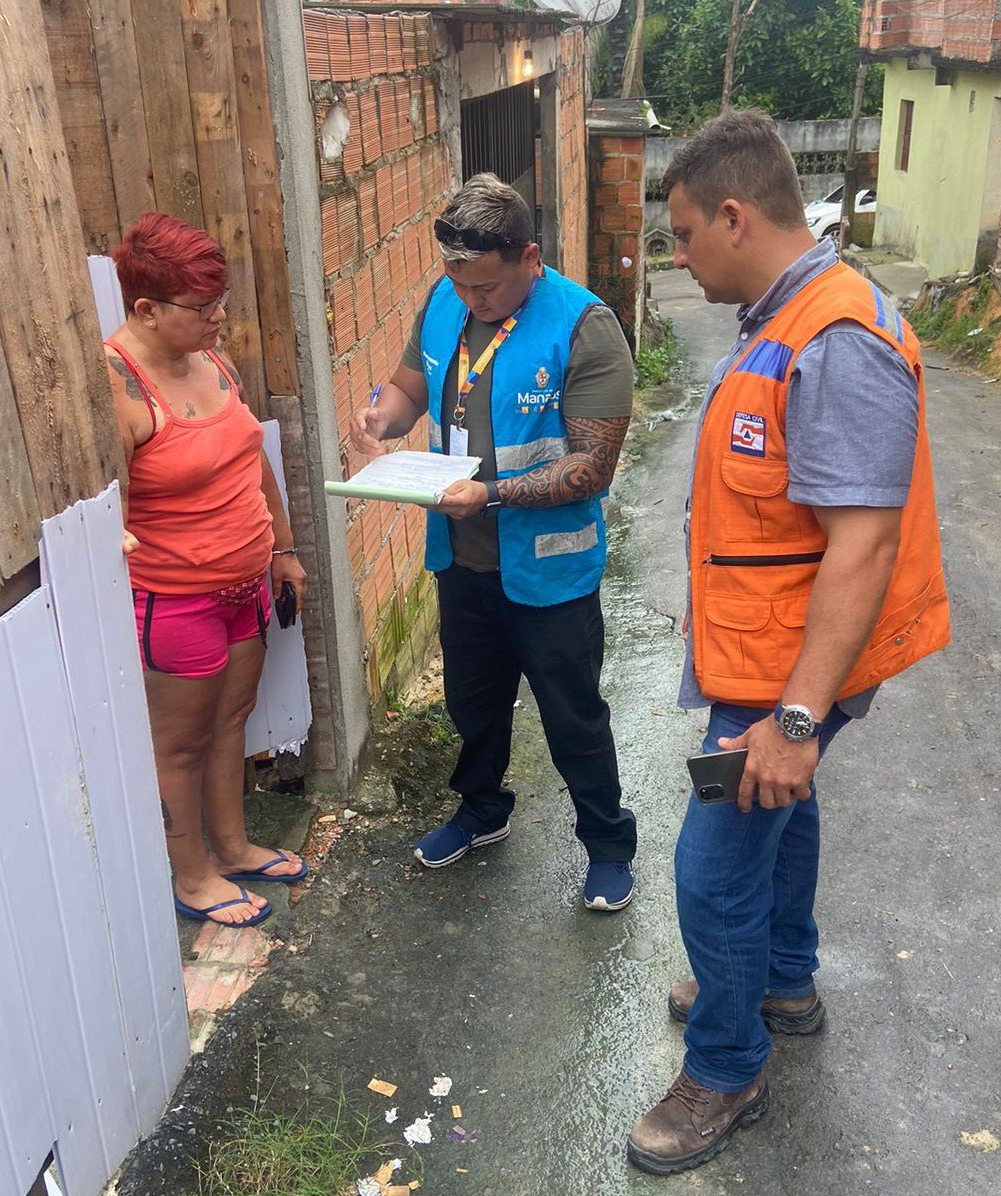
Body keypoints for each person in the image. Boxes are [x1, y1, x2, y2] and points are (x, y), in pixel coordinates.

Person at [626, 111, 950, 1174]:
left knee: (710, 868)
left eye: (682, 235)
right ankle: (780, 980)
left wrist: (796, 720)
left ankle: (726, 1067)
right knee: (780, 810)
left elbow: (862, 544)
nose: (676, 256)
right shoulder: (785, 313)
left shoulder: (835, 338)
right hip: (770, 651)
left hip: (791, 671)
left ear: (734, 216)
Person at [350, 173, 638, 910]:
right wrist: (382, 419)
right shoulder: (445, 301)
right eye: (458, 283)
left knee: (572, 717)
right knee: (473, 705)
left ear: (529, 258)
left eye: (486, 286)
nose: (471, 300)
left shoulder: (584, 326)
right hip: (462, 559)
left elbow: (592, 467)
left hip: (549, 572)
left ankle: (608, 845)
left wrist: (493, 494)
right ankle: (482, 810)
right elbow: (410, 388)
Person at [105, 212, 309, 929]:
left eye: (220, 301)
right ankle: (192, 877)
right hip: (175, 603)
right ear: (146, 310)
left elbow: (252, 458)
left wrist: (282, 549)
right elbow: (108, 515)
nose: (219, 317)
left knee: (231, 720)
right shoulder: (117, 389)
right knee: (181, 744)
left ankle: (232, 847)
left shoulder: (212, 360)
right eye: (202, 307)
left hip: (245, 586)